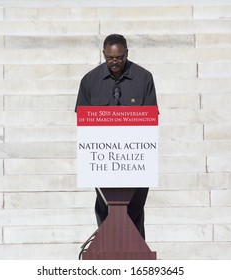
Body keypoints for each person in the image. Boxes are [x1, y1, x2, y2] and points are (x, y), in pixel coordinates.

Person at [75, 34, 158, 240]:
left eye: (119, 57)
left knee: (135, 209)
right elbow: (82, 118)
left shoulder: (144, 78)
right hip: (104, 157)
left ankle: (136, 251)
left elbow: (151, 115)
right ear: (104, 54)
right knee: (105, 207)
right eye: (111, 58)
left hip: (135, 156)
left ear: (126, 53)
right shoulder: (90, 80)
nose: (115, 62)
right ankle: (107, 247)